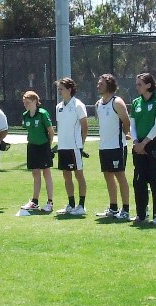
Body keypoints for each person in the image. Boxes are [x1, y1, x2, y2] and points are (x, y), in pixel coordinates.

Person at [130, 72, 156, 225]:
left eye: (140, 84)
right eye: (137, 84)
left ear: (148, 85)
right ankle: (141, 214)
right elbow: (132, 125)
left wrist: (144, 143)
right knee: (139, 180)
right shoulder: (136, 103)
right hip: (138, 144)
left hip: (152, 144)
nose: (137, 87)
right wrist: (136, 142)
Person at [94, 74, 132, 221]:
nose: (98, 85)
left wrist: (124, 135)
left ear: (109, 85)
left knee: (120, 176)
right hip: (104, 147)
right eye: (98, 83)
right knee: (108, 176)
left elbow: (126, 121)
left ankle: (126, 210)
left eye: (101, 83)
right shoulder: (98, 104)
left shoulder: (117, 102)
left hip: (117, 146)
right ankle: (113, 208)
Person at [54, 78, 88, 216]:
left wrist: (81, 144)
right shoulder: (59, 107)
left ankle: (81, 205)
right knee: (66, 176)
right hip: (63, 147)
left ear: (69, 89)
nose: (59, 91)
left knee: (79, 175)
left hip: (75, 147)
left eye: (61, 88)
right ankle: (71, 204)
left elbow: (85, 127)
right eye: (58, 89)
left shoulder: (78, 105)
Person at [20, 90, 55, 212]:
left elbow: (51, 132)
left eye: (28, 102)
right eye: (24, 102)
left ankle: (50, 202)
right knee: (35, 173)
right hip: (32, 147)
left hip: (43, 146)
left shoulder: (42, 114)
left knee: (46, 173)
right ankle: (34, 202)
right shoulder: (25, 115)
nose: (26, 105)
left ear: (35, 101)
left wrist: (48, 146)